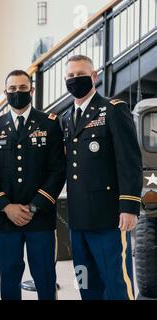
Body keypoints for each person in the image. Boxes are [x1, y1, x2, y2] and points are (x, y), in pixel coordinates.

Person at [61, 55, 143, 300]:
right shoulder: (66, 118)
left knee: (116, 282)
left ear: (94, 76)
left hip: (108, 218)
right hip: (77, 221)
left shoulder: (112, 110)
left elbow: (129, 161)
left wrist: (129, 207)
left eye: (81, 74)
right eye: (71, 76)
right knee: (86, 283)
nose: (76, 80)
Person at [0, 70, 66, 300]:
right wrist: (6, 206)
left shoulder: (49, 124)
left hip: (40, 218)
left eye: (22, 88)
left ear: (31, 90)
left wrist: (33, 207)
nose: (17, 93)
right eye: (12, 89)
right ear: (5, 92)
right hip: (6, 218)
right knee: (9, 277)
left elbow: (58, 171)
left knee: (45, 276)